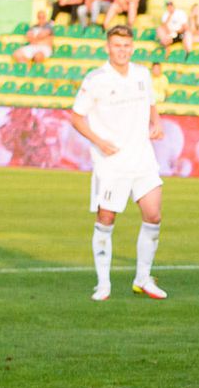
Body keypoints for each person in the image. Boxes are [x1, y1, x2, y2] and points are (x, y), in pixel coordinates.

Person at [68, 25, 167, 302]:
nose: (122, 51)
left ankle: (143, 278)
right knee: (106, 218)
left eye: (126, 45)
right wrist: (99, 141)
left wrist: (157, 123)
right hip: (111, 163)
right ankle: (103, 284)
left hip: (143, 158)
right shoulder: (96, 79)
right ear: (108, 48)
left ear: (132, 47)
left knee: (153, 216)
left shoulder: (142, 74)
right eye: (117, 45)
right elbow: (76, 117)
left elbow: (151, 103)